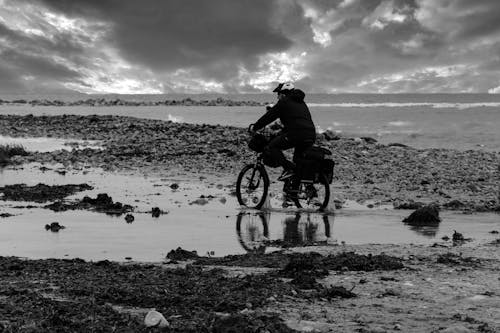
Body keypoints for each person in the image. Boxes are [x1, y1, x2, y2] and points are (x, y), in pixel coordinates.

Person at [250, 82, 316, 181]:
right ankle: (295, 191)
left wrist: (255, 127)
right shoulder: (301, 103)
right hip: (310, 134)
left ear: (283, 93)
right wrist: (281, 132)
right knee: (298, 161)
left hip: (296, 134)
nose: (277, 97)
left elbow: (269, 116)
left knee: (272, 147)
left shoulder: (284, 102)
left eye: (278, 94)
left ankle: (288, 168)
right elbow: (297, 120)